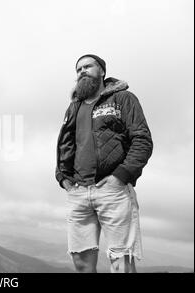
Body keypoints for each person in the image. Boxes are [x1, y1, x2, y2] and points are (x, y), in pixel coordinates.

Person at [55, 54, 153, 273]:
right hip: (79, 191)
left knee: (121, 264)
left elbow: (142, 140)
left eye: (88, 66)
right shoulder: (74, 107)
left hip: (113, 191)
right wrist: (63, 178)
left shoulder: (123, 99)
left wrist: (121, 175)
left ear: (102, 71)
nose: (82, 71)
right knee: (81, 263)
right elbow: (66, 144)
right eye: (78, 69)